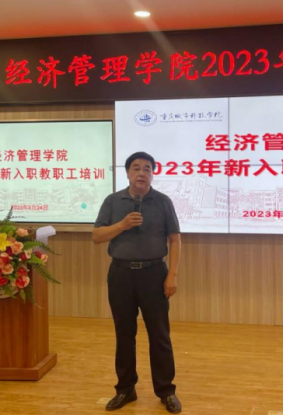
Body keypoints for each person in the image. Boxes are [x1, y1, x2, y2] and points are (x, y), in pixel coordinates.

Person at [93, 151, 182, 414]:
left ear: (153, 174)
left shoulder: (163, 201)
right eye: (136, 168)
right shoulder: (112, 201)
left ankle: (166, 391)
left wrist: (172, 275)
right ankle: (125, 389)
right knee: (124, 334)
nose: (141, 173)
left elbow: (175, 240)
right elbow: (97, 236)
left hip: (154, 274)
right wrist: (122, 225)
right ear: (127, 173)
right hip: (120, 275)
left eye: (147, 169)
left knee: (160, 335)